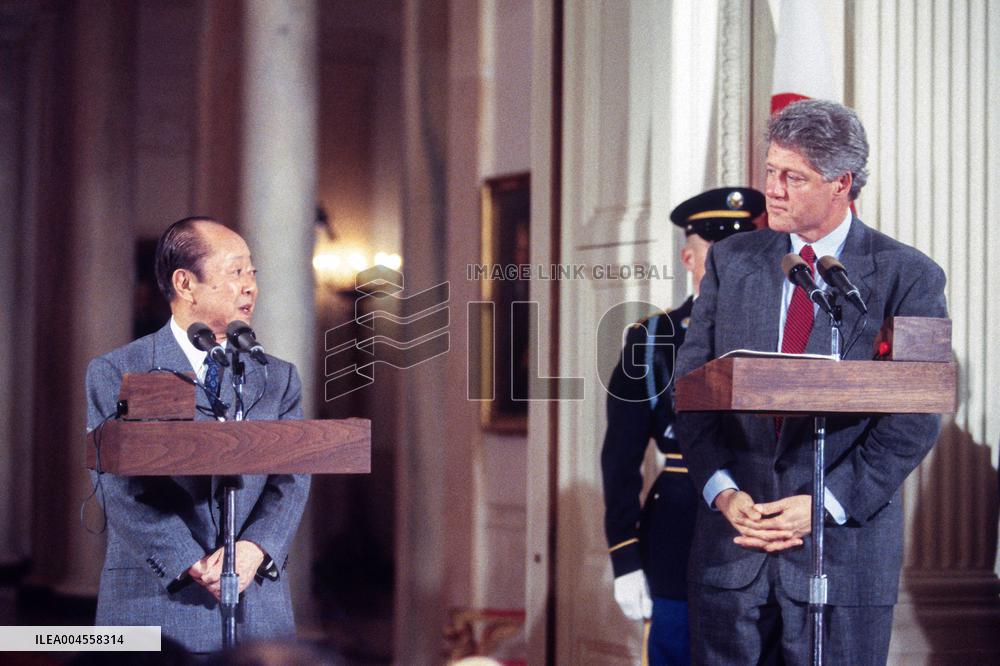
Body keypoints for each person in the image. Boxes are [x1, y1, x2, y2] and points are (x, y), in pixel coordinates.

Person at [674, 99, 947, 664]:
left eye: (792, 177)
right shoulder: (730, 261)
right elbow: (691, 389)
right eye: (770, 171)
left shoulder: (909, 275)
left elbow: (915, 415)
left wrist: (821, 503)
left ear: (841, 184)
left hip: (842, 558)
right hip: (733, 547)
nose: (772, 189)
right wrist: (723, 491)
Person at [85, 217, 311, 653]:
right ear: (185, 283)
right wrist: (191, 562)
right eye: (236, 272)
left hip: (255, 605)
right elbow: (119, 488)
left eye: (253, 274)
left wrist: (254, 548)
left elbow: (293, 476)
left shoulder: (278, 378)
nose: (251, 287)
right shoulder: (117, 371)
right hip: (154, 599)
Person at [601, 187, 764, 665]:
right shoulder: (652, 340)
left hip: (763, 528)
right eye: (718, 250)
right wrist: (624, 553)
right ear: (689, 256)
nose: (730, 262)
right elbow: (621, 457)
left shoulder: (780, 332)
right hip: (680, 534)